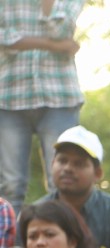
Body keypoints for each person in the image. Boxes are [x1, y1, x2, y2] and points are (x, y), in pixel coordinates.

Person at [0, 0, 83, 215]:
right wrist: (53, 46)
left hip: (59, 96)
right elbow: (2, 38)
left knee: (63, 184)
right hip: (8, 97)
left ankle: (64, 246)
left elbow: (61, 30)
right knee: (11, 186)